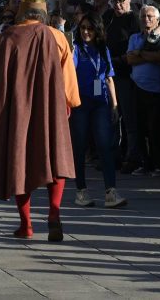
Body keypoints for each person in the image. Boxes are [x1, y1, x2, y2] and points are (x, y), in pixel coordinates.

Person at [0, 0, 80, 241]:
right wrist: (69, 102)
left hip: (17, 109)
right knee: (54, 158)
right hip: (52, 107)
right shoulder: (57, 37)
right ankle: (53, 213)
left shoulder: (8, 38)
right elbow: (69, 79)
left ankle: (26, 224)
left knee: (20, 161)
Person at [69, 13, 127, 209]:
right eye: (83, 27)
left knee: (105, 146)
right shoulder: (76, 49)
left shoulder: (103, 49)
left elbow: (109, 78)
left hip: (100, 102)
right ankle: (81, 191)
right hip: (80, 103)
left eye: (90, 28)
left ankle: (111, 191)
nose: (86, 31)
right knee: (80, 145)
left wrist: (115, 105)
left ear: (97, 30)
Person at [126, 5, 160, 175]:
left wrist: (140, 54)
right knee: (140, 127)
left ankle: (159, 164)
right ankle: (145, 163)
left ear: (157, 20)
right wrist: (143, 55)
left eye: (150, 16)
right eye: (143, 16)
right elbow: (129, 59)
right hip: (137, 88)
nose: (146, 19)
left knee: (155, 128)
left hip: (156, 89)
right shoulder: (135, 37)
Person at [106, 0, 141, 172]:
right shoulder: (108, 17)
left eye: (121, 1)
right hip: (105, 77)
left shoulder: (134, 20)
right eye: (114, 1)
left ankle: (132, 156)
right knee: (108, 116)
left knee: (127, 117)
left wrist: (116, 61)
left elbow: (135, 51)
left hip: (124, 76)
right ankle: (112, 155)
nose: (117, 5)